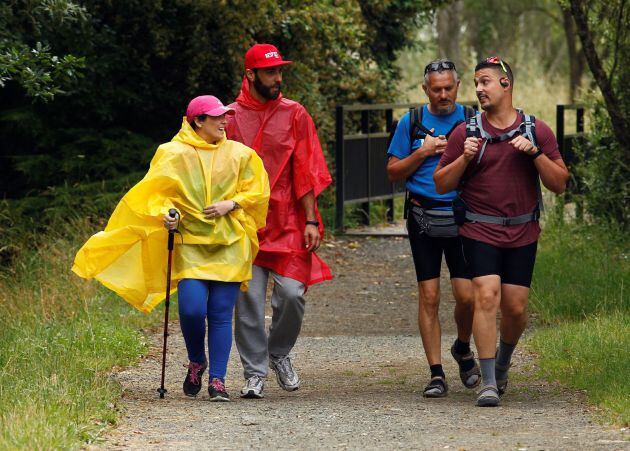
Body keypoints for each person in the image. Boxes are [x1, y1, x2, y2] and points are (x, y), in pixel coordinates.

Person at [72, 95, 270, 401]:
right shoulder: (172, 153)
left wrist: (233, 203)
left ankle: (217, 380)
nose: (224, 121)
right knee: (191, 310)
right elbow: (156, 192)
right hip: (189, 242)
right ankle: (196, 361)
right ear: (197, 121)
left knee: (219, 314)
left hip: (230, 243)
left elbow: (257, 190)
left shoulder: (241, 154)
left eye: (225, 116)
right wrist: (168, 214)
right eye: (216, 117)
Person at [434, 57, 569, 407]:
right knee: (486, 296)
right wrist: (463, 158)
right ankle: (489, 382)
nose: (479, 88)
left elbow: (560, 184)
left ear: (506, 84)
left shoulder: (535, 129)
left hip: (523, 230)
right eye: (476, 82)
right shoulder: (466, 131)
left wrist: (535, 153)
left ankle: (504, 361)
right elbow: (440, 183)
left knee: (516, 308)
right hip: (479, 228)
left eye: (486, 82)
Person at [226, 43, 332, 399]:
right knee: (249, 299)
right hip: (245, 223)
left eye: (280, 71)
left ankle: (279, 353)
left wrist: (311, 221)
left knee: (292, 294)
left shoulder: (295, 114)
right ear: (250, 74)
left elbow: (305, 168)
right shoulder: (227, 118)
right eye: (270, 72)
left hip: (287, 220)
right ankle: (254, 372)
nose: (278, 78)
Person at [386, 59, 480, 398]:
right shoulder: (410, 122)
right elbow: (394, 172)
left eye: (448, 88)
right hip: (423, 216)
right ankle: (436, 373)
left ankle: (463, 348)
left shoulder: (473, 120)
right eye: (436, 89)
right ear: (426, 89)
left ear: (458, 87)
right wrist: (423, 152)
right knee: (429, 295)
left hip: (462, 216)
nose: (443, 94)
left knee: (467, 297)